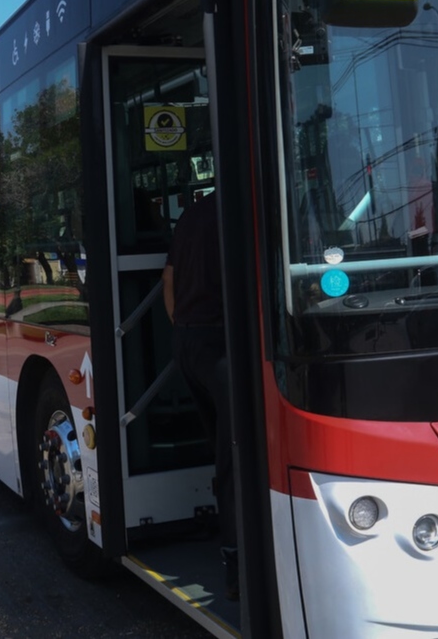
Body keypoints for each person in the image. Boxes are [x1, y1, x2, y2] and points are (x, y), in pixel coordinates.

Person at [161, 189, 237, 601]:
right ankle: (239, 564)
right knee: (236, 459)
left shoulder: (192, 214)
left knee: (221, 450)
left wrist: (182, 328)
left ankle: (232, 551)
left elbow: (168, 279)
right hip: (221, 348)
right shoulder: (240, 207)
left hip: (189, 344)